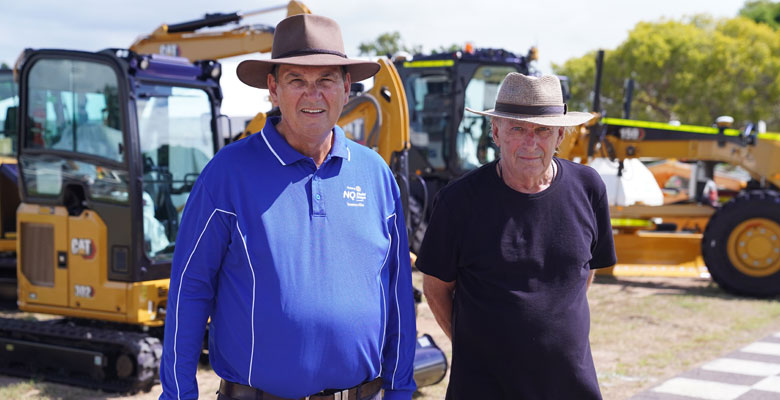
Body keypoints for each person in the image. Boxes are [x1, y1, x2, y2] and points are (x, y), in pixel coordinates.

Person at [158, 14, 416, 400]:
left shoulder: (375, 174)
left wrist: (400, 389)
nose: (313, 95)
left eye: (326, 80)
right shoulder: (227, 175)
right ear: (273, 89)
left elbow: (397, 292)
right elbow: (189, 291)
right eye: (297, 80)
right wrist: (178, 395)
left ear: (347, 89)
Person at [416, 73, 616, 399]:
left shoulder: (588, 188)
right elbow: (436, 289)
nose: (530, 142)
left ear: (560, 135)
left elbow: (583, 273)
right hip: (484, 388)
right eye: (518, 129)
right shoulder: (458, 201)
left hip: (570, 385)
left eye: (542, 131)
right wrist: (476, 347)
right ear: (496, 132)